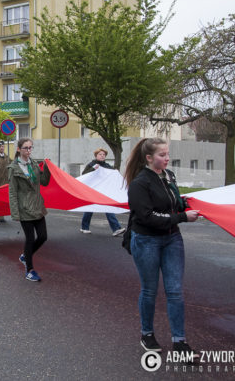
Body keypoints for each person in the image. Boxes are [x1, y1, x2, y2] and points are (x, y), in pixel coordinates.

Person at [125, 137, 200, 357]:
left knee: (175, 291)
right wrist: (182, 217)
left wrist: (185, 204)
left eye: (167, 154)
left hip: (172, 239)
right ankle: (147, 334)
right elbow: (147, 217)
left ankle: (180, 342)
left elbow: (173, 204)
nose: (167, 158)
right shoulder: (140, 183)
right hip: (146, 240)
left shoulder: (169, 176)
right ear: (149, 158)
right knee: (149, 290)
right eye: (162, 155)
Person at [9, 138, 52, 282]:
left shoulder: (34, 164)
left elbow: (44, 182)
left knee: (43, 236)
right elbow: (12, 192)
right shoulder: (13, 168)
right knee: (30, 239)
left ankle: (25, 256)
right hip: (24, 208)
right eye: (26, 148)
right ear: (19, 149)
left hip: (37, 205)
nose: (29, 151)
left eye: (30, 147)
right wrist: (15, 213)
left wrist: (47, 168)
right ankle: (30, 270)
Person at [79, 148, 126, 236]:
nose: (102, 156)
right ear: (96, 156)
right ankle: (84, 227)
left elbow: (113, 175)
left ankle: (116, 229)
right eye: (100, 154)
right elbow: (84, 174)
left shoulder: (107, 166)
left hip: (104, 191)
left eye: (104, 154)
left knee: (108, 207)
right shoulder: (91, 164)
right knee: (90, 208)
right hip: (93, 190)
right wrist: (93, 168)